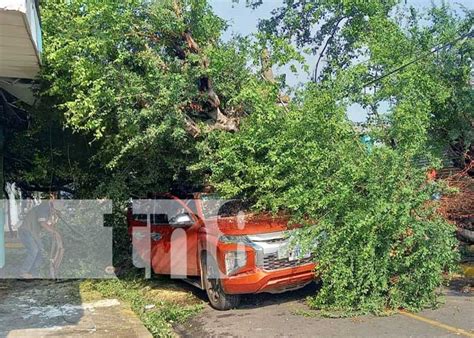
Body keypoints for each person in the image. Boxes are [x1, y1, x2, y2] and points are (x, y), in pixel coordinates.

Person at [17, 201, 51, 278]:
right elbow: (42, 223)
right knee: (34, 250)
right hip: (26, 231)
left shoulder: (47, 208)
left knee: (40, 250)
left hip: (32, 233)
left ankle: (34, 272)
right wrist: (54, 232)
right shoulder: (44, 206)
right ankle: (23, 272)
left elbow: (46, 223)